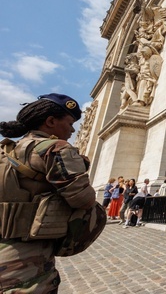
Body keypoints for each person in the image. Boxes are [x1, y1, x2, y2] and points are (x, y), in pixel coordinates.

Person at [0, 93, 106, 293]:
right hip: (26, 259)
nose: (73, 129)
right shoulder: (55, 149)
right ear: (50, 121)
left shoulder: (5, 150)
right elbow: (84, 199)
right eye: (69, 122)